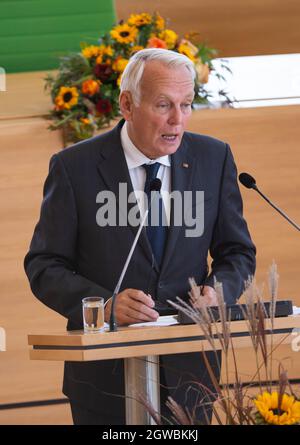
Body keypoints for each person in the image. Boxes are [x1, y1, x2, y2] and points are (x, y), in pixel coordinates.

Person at [24, 48, 256, 425]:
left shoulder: (213, 158)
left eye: (186, 104)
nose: (177, 120)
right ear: (127, 104)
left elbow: (237, 253)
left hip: (191, 375)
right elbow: (44, 265)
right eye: (164, 105)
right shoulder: (74, 167)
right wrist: (104, 305)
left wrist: (218, 293)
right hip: (105, 377)